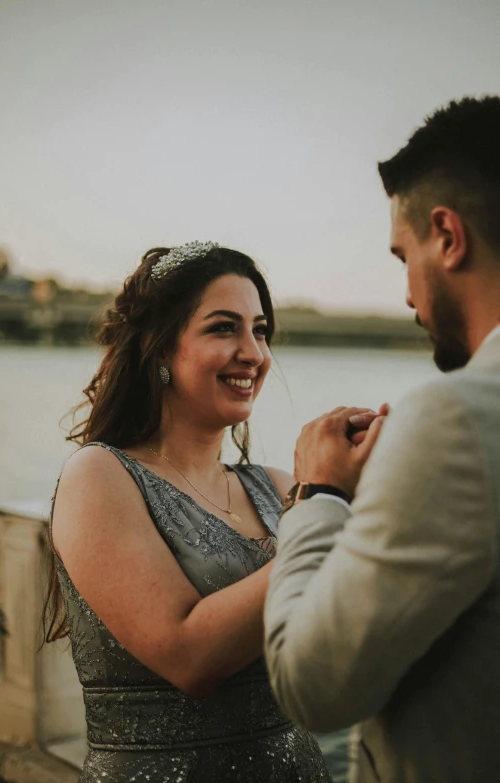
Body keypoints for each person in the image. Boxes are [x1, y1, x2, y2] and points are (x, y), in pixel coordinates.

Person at [264, 95, 500, 783]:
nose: (405, 295)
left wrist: (321, 491)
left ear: (447, 236)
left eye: (403, 257)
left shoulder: (457, 418)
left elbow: (311, 686)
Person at [43, 242, 340, 782]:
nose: (254, 352)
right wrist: (322, 504)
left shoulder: (277, 489)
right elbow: (188, 656)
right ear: (160, 350)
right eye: (224, 327)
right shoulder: (100, 476)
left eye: (261, 330)